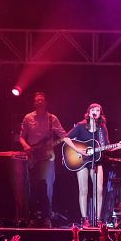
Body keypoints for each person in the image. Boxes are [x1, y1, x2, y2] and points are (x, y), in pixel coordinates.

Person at [18, 92, 77, 228]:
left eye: (41, 100)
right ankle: (32, 216)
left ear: (46, 103)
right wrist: (26, 146)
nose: (39, 102)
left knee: (48, 187)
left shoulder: (52, 118)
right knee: (31, 187)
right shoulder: (28, 117)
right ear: (34, 103)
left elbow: (63, 135)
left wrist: (76, 147)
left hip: (48, 157)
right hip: (32, 156)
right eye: (37, 100)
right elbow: (21, 137)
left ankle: (46, 217)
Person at [67, 103, 121, 228]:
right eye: (93, 109)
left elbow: (106, 147)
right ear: (88, 112)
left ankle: (98, 220)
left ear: (100, 114)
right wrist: (78, 150)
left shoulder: (102, 128)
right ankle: (84, 219)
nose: (95, 112)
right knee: (83, 190)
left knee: (99, 190)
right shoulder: (81, 126)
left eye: (98, 110)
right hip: (81, 160)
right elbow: (66, 138)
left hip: (97, 160)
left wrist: (118, 146)